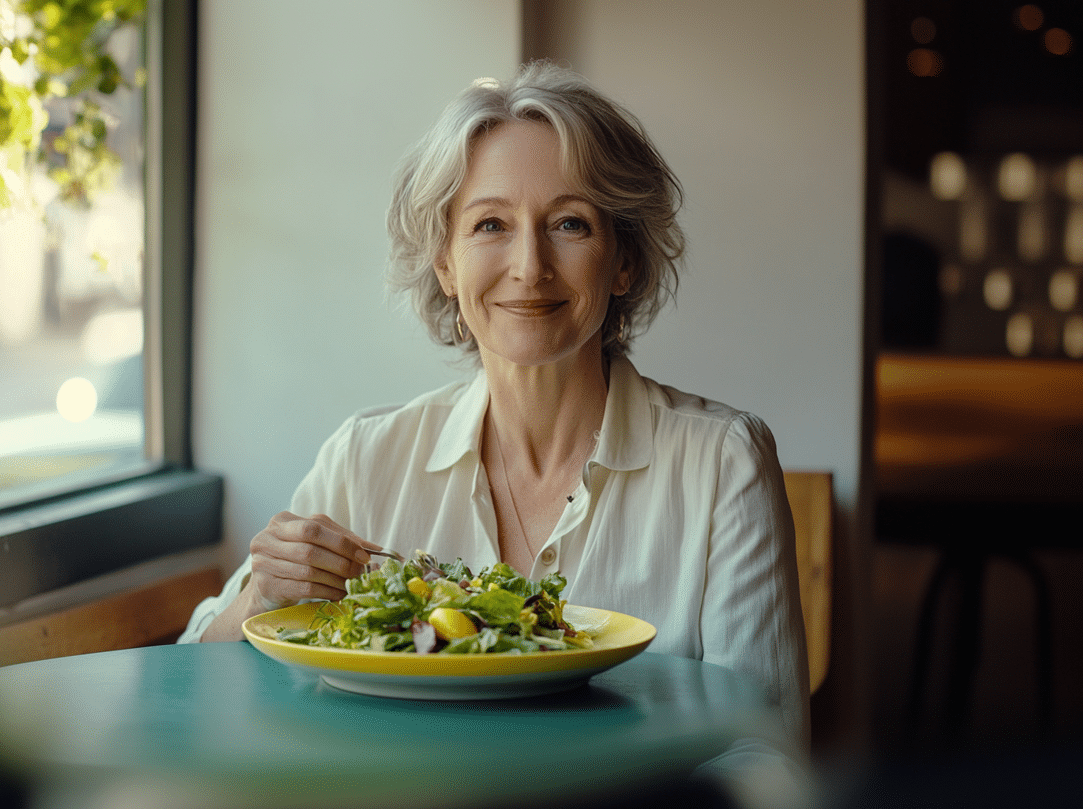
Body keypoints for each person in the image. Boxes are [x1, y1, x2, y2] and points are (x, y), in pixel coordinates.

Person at [179, 61, 810, 741]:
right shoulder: (366, 459)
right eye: (489, 225)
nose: (529, 266)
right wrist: (260, 595)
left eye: (570, 224)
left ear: (624, 260)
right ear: (445, 263)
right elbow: (191, 685)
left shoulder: (724, 466)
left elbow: (763, 753)